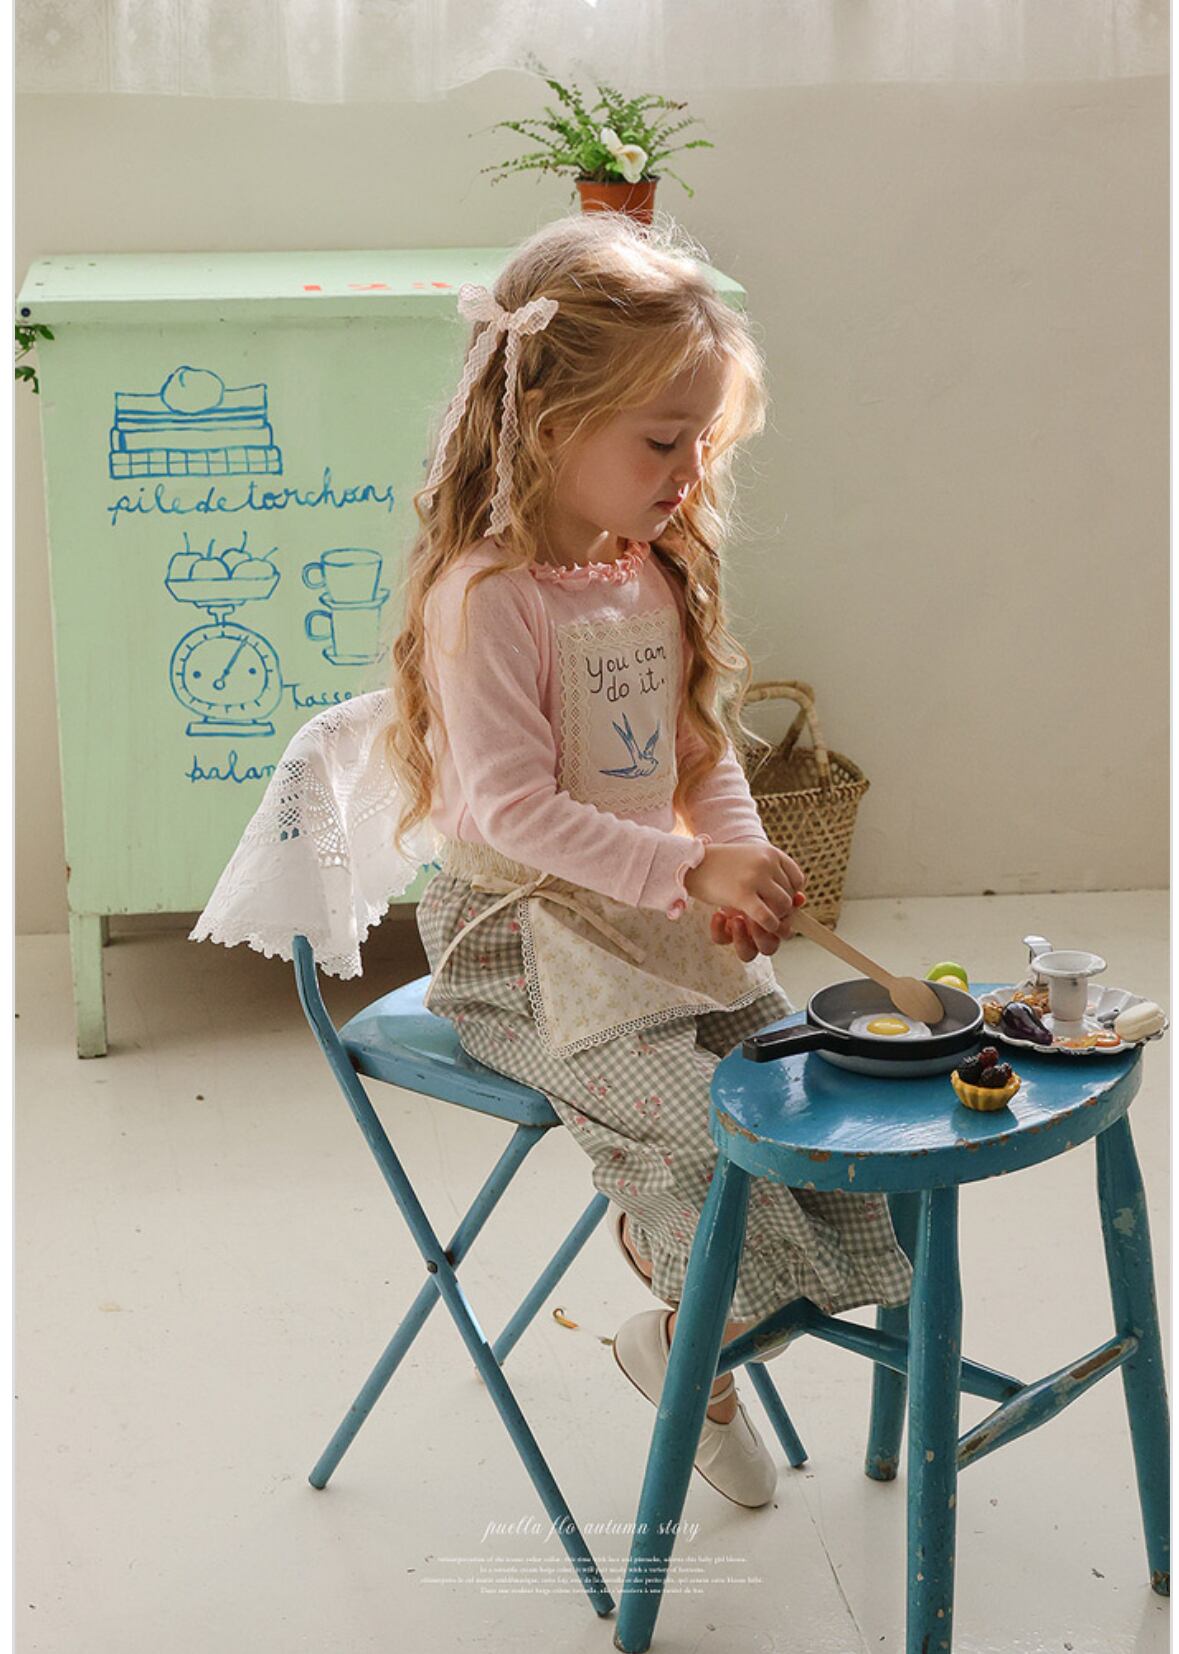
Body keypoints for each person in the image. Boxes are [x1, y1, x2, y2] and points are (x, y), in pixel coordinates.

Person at [386, 211, 913, 1508]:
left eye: (703, 443)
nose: (689, 472)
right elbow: (511, 811)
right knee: (705, 1143)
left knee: (804, 1103)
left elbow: (694, 754)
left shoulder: (649, 571)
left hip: (644, 919)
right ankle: (701, 1353)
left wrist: (736, 852)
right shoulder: (488, 598)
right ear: (547, 423)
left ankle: (689, 1343)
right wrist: (685, 873)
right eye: (662, 442)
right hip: (520, 944)